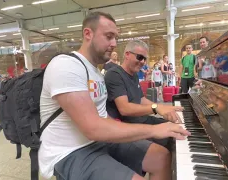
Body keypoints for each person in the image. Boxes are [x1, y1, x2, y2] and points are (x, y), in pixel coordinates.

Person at [38, 11, 190, 180]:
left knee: (161, 157)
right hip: (70, 151)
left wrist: (152, 124)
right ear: (88, 34)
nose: (113, 43)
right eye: (108, 36)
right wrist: (154, 129)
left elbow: (104, 118)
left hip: (100, 141)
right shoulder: (66, 65)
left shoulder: (96, 72)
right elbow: (93, 128)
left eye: (115, 38)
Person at [105, 39, 185, 149]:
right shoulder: (114, 74)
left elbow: (141, 99)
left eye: (145, 59)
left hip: (143, 120)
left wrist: (162, 108)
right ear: (127, 55)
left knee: (178, 128)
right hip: (129, 127)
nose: (143, 62)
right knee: (172, 142)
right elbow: (124, 109)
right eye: (140, 57)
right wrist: (156, 107)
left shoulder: (134, 75)